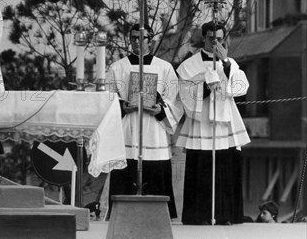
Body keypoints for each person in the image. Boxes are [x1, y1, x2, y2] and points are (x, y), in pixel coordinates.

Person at [105, 24, 183, 219]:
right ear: (129, 40)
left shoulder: (164, 68)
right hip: (127, 130)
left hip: (154, 133)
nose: (138, 42)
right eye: (134, 38)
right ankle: (121, 220)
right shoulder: (117, 68)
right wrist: (123, 106)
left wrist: (160, 110)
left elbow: (175, 101)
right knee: (124, 181)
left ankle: (159, 220)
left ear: (151, 40)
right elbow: (107, 99)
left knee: (156, 181)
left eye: (143, 38)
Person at [176, 21, 250, 225]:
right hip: (202, 123)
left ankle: (226, 215)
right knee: (201, 170)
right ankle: (199, 216)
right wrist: (206, 87)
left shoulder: (230, 63)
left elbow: (241, 87)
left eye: (219, 38)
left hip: (225, 123)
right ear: (203, 38)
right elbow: (186, 95)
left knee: (225, 169)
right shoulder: (189, 65)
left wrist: (225, 63)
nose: (215, 42)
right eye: (211, 38)